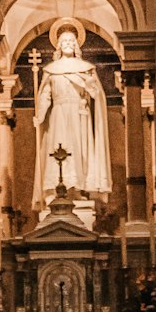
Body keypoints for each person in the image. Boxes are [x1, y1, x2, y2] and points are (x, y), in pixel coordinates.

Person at [32, 19, 111, 213]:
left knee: (78, 150)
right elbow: (45, 95)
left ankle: (75, 189)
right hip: (58, 114)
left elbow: (96, 95)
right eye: (64, 40)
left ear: (76, 44)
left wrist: (89, 86)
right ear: (58, 45)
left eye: (70, 40)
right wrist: (40, 114)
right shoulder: (50, 70)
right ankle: (57, 189)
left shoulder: (85, 68)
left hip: (78, 115)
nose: (67, 43)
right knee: (57, 147)